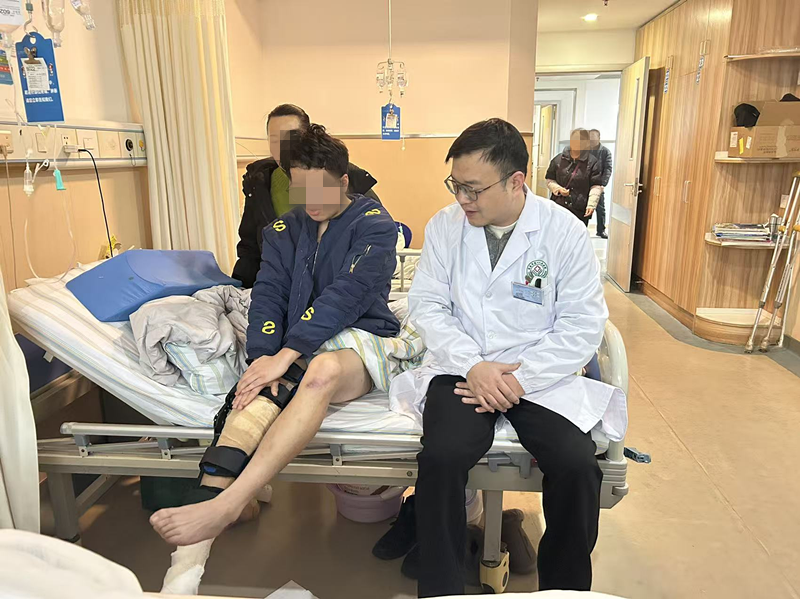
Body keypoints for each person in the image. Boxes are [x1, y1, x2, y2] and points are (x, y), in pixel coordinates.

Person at [403, 118, 626, 597]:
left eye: (473, 188)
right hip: (462, 367)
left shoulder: (563, 232)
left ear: (516, 181)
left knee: (577, 466)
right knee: (441, 458)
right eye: (455, 185)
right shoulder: (444, 226)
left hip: (538, 373)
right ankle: (441, 589)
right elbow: (427, 306)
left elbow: (582, 324)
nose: (462, 199)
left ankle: (565, 590)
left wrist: (518, 380)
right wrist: (474, 366)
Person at [150, 124, 403, 546]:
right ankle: (215, 496)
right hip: (294, 342)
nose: (311, 201)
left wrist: (287, 354)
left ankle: (227, 503)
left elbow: (346, 296)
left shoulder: (375, 226)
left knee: (318, 371)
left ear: (343, 182)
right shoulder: (284, 230)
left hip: (358, 336)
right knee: (261, 388)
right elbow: (268, 295)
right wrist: (263, 358)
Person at [232, 104, 382, 287]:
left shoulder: (344, 178)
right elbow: (250, 247)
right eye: (274, 140)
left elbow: (373, 236)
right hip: (281, 285)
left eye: (290, 138)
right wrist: (241, 288)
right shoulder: (259, 184)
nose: (282, 148)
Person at [545, 128, 604, 226]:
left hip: (579, 210)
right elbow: (550, 179)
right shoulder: (558, 159)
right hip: (558, 207)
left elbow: (596, 186)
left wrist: (591, 205)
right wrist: (558, 189)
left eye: (581, 139)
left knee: (577, 234)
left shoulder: (593, 162)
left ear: (586, 143)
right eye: (575, 138)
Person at [589, 129, 612, 239]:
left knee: (600, 208)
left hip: (598, 184)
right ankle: (582, 229)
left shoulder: (605, 152)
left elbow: (608, 169)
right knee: (582, 207)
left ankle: (601, 230)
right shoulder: (585, 150)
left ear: (599, 138)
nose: (592, 140)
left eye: (594, 138)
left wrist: (603, 184)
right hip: (585, 183)